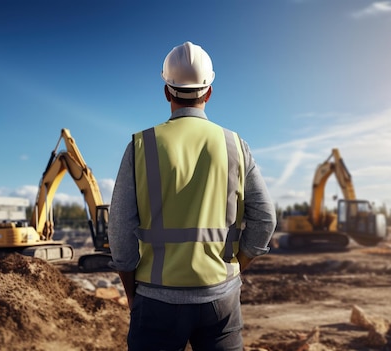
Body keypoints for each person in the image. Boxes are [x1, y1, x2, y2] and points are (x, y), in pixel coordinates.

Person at [108, 41, 277, 351]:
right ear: (209, 92)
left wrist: (131, 291)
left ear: (166, 91)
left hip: (156, 299)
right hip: (220, 297)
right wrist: (236, 266)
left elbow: (119, 230)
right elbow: (265, 218)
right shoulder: (236, 145)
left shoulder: (141, 146)